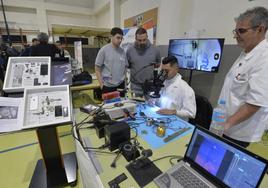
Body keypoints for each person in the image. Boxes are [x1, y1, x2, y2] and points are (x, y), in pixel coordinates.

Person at [218, 7, 268, 148]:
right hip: (225, 125)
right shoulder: (246, 52)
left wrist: (226, 124)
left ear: (260, 29)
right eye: (236, 31)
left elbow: (255, 102)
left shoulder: (264, 58)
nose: (236, 35)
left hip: (238, 131)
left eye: (242, 31)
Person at [155, 56, 196, 120]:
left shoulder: (186, 89)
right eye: (163, 70)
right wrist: (152, 100)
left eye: (166, 71)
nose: (164, 73)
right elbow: (159, 99)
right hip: (161, 118)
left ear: (176, 69)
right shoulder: (163, 82)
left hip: (176, 122)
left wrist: (173, 112)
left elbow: (191, 113)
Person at [126, 27, 161, 97]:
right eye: (139, 40)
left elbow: (158, 64)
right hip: (135, 87)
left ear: (147, 37)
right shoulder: (130, 51)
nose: (142, 42)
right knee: (135, 107)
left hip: (149, 86)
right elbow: (128, 65)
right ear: (135, 39)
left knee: (150, 106)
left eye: (144, 40)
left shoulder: (155, 50)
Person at [95, 27, 128, 97]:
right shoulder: (103, 50)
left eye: (121, 38)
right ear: (111, 37)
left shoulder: (122, 52)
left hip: (120, 85)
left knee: (121, 105)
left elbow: (125, 67)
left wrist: (124, 82)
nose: (120, 40)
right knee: (109, 107)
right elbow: (97, 69)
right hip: (108, 86)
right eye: (118, 38)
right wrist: (102, 85)